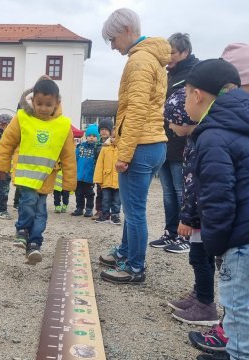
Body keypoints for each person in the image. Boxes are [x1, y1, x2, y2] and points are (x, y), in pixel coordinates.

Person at [98, 8, 169, 284]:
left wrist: (124, 153)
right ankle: (126, 252)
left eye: (113, 39)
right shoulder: (154, 58)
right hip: (154, 143)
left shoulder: (139, 61)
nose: (113, 46)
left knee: (135, 210)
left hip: (141, 145)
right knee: (132, 206)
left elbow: (137, 109)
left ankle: (135, 267)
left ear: (128, 30)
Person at [184, 58, 248, 360]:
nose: (185, 102)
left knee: (238, 313)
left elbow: (218, 198)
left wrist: (216, 245)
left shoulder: (212, 135)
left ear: (198, 95)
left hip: (241, 242)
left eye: (185, 95)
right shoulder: (241, 122)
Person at [0, 78, 77, 264]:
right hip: (26, 176)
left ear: (57, 103)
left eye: (48, 104)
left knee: (41, 212)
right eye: (39, 103)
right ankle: (22, 231)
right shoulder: (23, 118)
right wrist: (2, 166)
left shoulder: (63, 125)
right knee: (29, 202)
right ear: (32, 101)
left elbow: (69, 156)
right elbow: (7, 142)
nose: (43, 108)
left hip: (46, 179)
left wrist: (69, 183)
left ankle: (35, 244)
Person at [163, 86, 218, 327]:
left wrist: (187, 218)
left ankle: (206, 304)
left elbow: (194, 185)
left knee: (200, 257)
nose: (170, 129)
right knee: (200, 258)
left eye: (172, 122)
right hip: (200, 216)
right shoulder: (194, 140)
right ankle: (199, 294)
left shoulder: (200, 143)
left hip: (200, 217)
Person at [150, 33, 199, 253]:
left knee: (182, 191)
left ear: (185, 52)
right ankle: (170, 232)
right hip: (165, 139)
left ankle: (185, 236)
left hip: (183, 142)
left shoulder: (194, 74)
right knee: (168, 191)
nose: (168, 56)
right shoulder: (168, 74)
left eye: (172, 52)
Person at [93, 126, 121, 225]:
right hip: (106, 178)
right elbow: (99, 164)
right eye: (113, 137)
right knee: (105, 198)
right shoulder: (105, 148)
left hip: (119, 179)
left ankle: (115, 215)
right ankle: (104, 214)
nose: (114, 139)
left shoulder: (123, 148)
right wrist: (98, 178)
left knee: (117, 200)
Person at [71, 124, 99, 217]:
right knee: (78, 193)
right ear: (86, 136)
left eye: (94, 136)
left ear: (97, 137)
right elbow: (75, 159)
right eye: (89, 136)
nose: (91, 138)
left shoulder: (97, 148)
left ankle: (89, 209)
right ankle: (79, 208)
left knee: (89, 194)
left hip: (90, 176)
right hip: (79, 175)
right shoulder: (80, 147)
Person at [92, 118, 113, 220]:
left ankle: (110, 212)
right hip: (100, 172)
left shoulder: (114, 143)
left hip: (110, 172)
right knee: (100, 193)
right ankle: (99, 211)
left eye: (106, 129)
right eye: (101, 129)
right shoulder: (96, 144)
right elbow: (94, 159)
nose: (103, 131)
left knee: (110, 194)